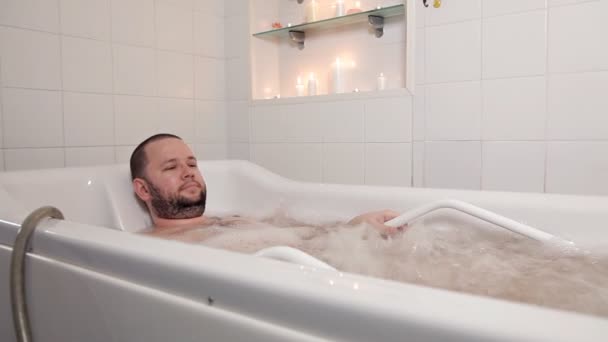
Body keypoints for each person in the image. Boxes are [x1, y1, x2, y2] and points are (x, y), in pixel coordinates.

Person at [130, 133, 404, 240]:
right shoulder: (155, 245)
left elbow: (305, 237)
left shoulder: (230, 220)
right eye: (171, 167)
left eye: (192, 164)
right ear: (143, 190)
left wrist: (356, 225)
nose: (188, 173)